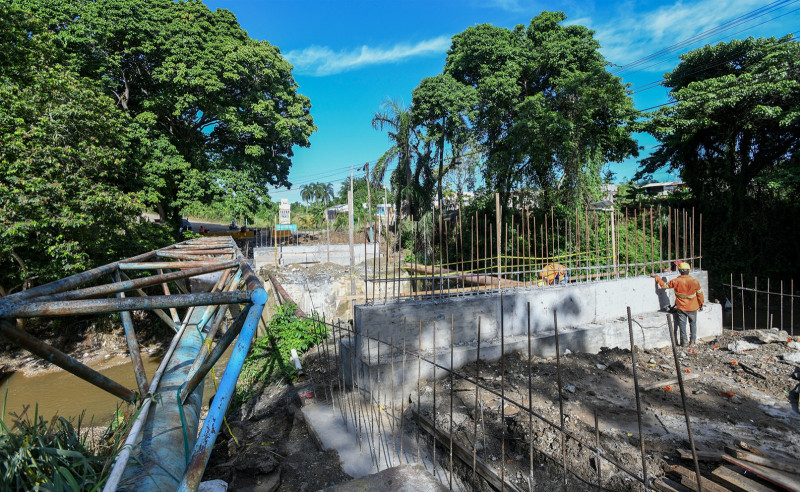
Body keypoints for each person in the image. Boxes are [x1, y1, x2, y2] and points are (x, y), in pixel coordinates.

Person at [650, 262, 704, 346]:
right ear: (689, 271)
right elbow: (700, 294)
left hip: (681, 307)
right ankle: (692, 342)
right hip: (693, 307)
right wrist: (701, 304)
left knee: (682, 325)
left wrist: (657, 278)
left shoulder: (676, 281)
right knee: (693, 324)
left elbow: (664, 285)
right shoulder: (694, 282)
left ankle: (684, 343)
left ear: (679, 271)